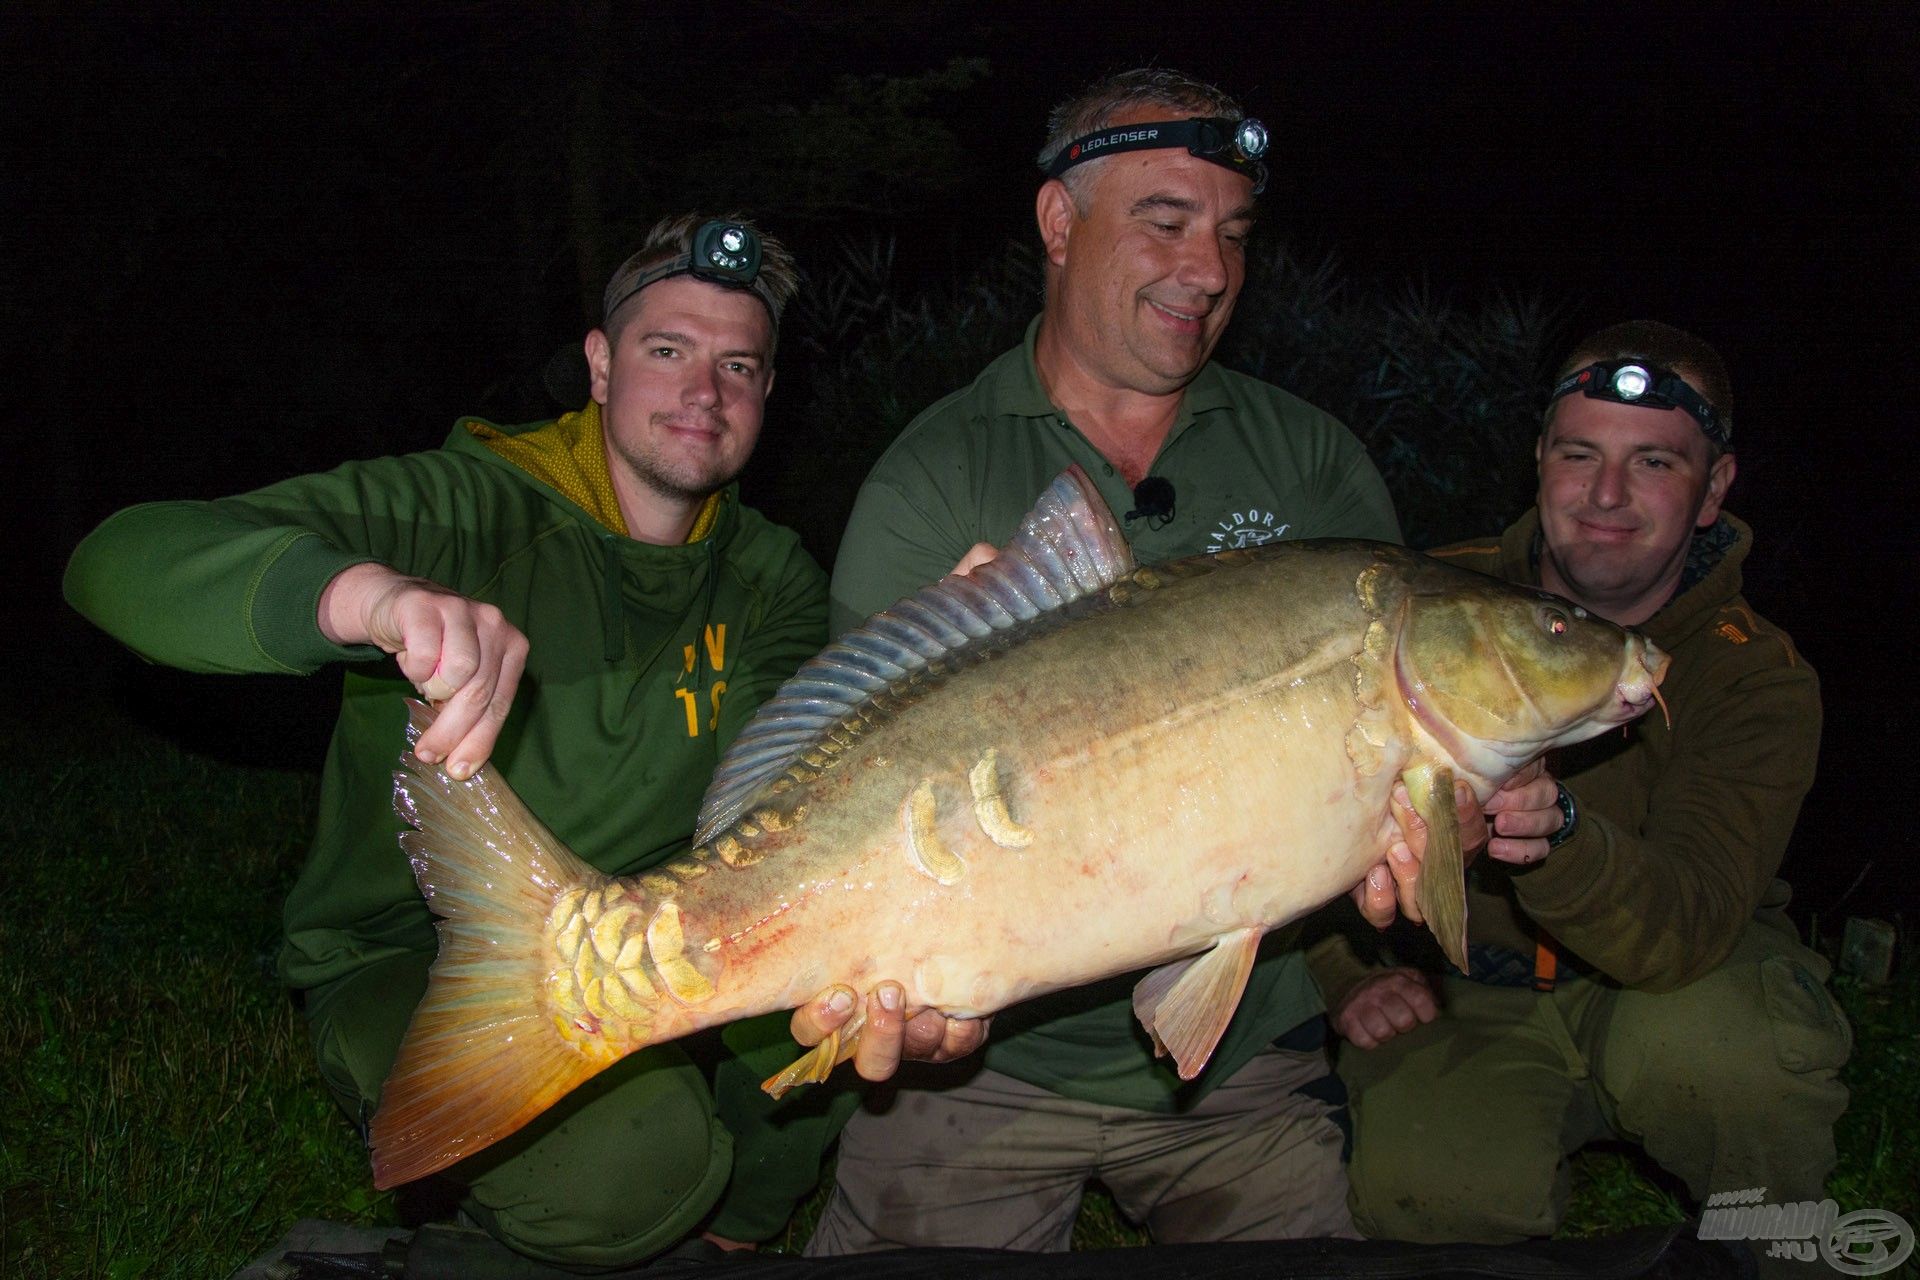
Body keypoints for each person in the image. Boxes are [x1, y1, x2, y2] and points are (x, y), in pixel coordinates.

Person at [63, 213, 888, 1267]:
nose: (705, 392)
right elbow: (119, 559)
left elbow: (782, 783)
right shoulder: (462, 509)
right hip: (416, 943)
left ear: (769, 392)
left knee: (826, 1003)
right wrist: (367, 599)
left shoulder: (771, 576)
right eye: (667, 350)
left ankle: (724, 1236)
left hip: (649, 932)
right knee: (637, 1171)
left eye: (740, 363)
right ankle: (453, 1239)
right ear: (599, 363)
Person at [807, 67, 1451, 1255]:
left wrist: (1405, 852)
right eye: (1165, 220)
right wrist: (911, 995)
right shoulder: (932, 475)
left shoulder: (1310, 466)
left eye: (1233, 233)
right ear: (1060, 223)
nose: (1209, 270)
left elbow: (1388, 762)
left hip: (1243, 1074)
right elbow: (843, 792)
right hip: (979, 1078)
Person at [1316, 321, 1850, 1267]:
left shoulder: (1755, 675)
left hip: (1682, 985)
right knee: (1429, 1187)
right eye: (1579, 454)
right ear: (1538, 462)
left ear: (1714, 487)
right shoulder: (1428, 603)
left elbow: (1685, 922)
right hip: (1473, 989)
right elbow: (1293, 797)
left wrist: (1556, 832)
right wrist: (1351, 973)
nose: (1607, 495)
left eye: (1653, 462)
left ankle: (1780, 1253)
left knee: (1739, 1060)